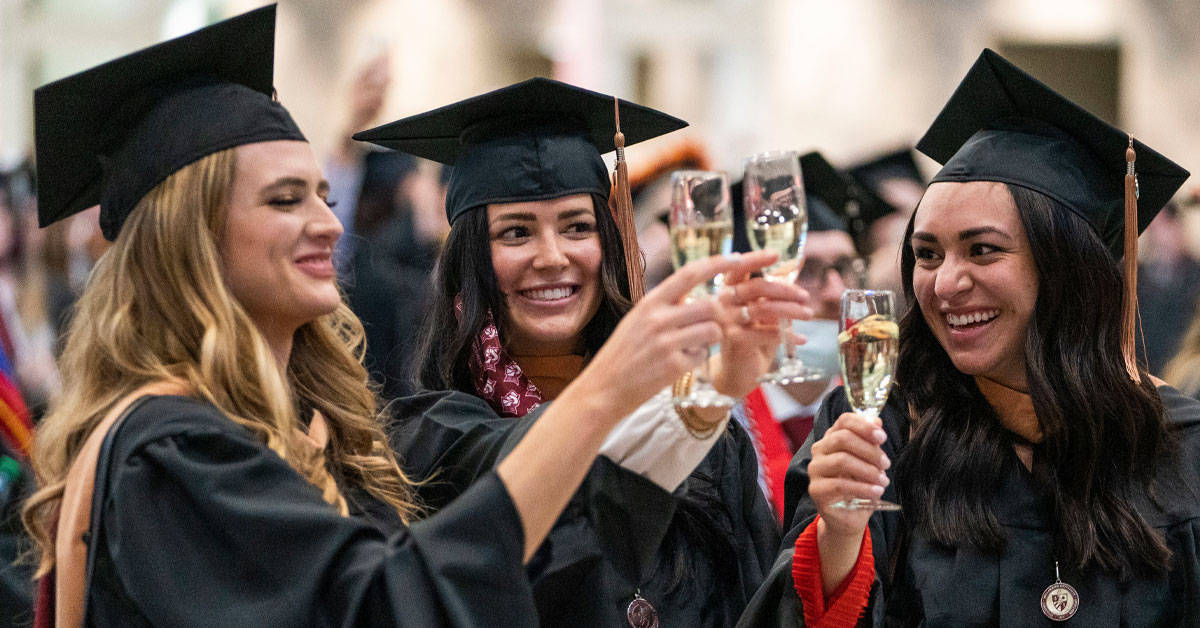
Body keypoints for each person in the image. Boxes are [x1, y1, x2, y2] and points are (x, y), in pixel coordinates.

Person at [20, 8, 766, 627]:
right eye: (285, 200)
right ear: (191, 240)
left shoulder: (294, 430)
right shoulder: (176, 450)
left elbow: (567, 537)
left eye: (324, 195)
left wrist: (709, 398)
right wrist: (608, 390)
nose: (329, 226)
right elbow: (387, 606)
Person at [737, 49, 1200, 628]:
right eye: (927, 254)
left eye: (983, 249)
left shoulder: (1179, 444)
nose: (945, 283)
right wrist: (839, 533)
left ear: (1066, 269)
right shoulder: (882, 430)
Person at [355, 78, 808, 627]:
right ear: (470, 265)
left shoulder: (709, 437)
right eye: (516, 233)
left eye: (577, 227)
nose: (553, 257)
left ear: (609, 244)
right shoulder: (436, 442)